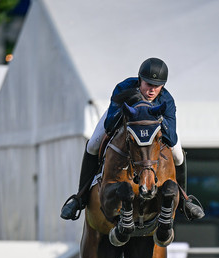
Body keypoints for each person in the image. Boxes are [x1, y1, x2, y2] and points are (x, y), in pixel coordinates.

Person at [60, 57, 205, 221]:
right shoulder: (124, 88)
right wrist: (130, 108)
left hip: (154, 129)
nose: (152, 90)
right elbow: (109, 125)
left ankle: (183, 201)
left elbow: (170, 139)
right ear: (140, 80)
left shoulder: (167, 100)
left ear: (163, 86)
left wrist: (157, 119)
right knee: (93, 145)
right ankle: (81, 197)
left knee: (178, 154)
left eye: (156, 86)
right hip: (125, 123)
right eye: (148, 84)